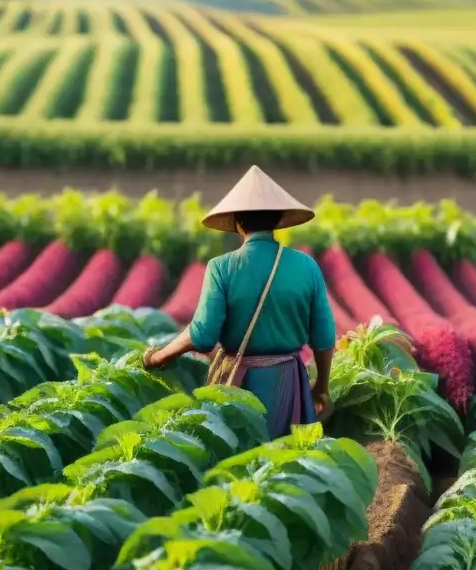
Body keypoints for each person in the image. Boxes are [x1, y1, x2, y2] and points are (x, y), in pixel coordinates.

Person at [142, 165, 336, 438]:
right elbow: (324, 338)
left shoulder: (222, 267)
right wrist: (322, 387)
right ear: (277, 220)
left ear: (237, 223)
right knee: (286, 465)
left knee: (235, 462)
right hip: (287, 384)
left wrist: (159, 356)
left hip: (237, 384)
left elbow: (203, 335)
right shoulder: (306, 266)